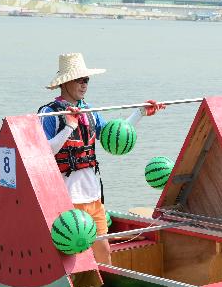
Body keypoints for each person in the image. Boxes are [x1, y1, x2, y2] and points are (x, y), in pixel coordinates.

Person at [39, 53, 163, 264]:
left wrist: (140, 112)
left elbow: (113, 137)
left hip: (93, 196)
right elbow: (44, 152)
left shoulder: (90, 112)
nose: (85, 84)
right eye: (80, 79)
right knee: (70, 255)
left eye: (86, 79)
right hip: (69, 197)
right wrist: (69, 126)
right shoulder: (48, 113)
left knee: (103, 250)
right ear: (65, 82)